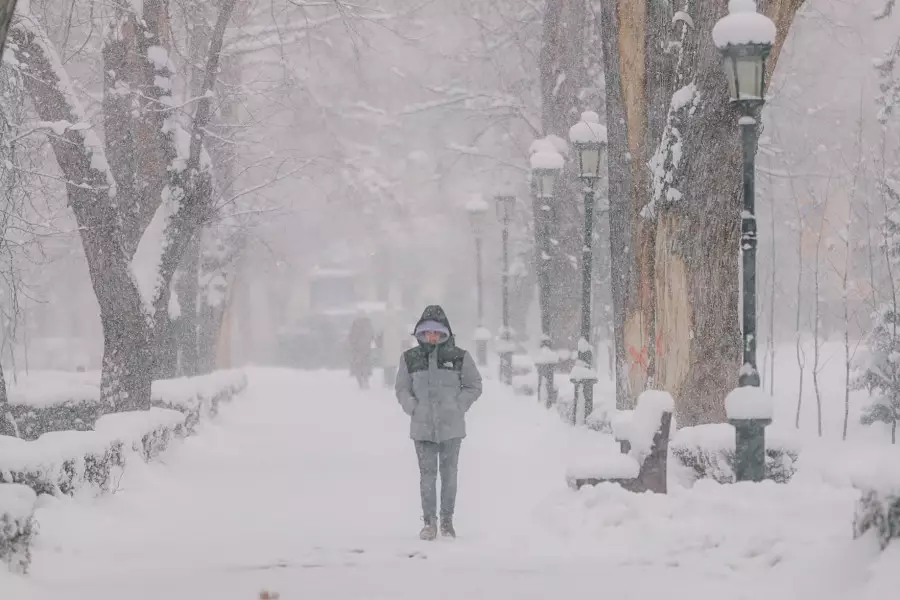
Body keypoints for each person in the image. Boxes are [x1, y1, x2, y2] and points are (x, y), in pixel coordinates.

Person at [395, 305, 482, 540]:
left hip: (451, 428)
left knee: (450, 475)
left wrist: (458, 405)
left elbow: (474, 385)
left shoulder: (459, 357)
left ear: (444, 333)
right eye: (427, 332)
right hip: (422, 427)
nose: (432, 337)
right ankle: (429, 522)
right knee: (427, 476)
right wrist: (413, 408)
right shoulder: (410, 359)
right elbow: (402, 388)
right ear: (421, 333)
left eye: (436, 332)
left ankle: (447, 521)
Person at [347, 312, 375, 389]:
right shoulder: (368, 324)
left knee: (358, 366)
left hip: (357, 349)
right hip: (366, 348)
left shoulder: (355, 324)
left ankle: (361, 382)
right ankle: (365, 381)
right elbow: (372, 335)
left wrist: (352, 345)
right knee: (365, 365)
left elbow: (351, 336)